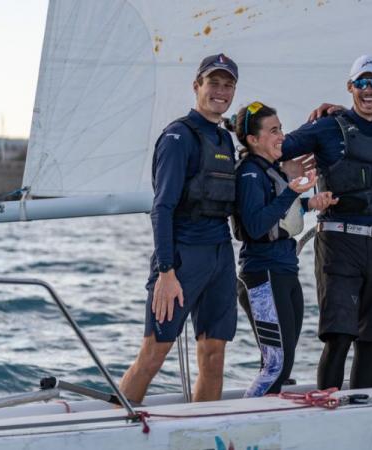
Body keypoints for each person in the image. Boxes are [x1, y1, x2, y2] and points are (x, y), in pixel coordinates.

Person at [119, 54, 240, 404]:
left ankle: (204, 431)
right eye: (213, 83)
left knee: (214, 355)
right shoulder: (177, 137)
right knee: (154, 353)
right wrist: (166, 271)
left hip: (220, 254)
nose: (220, 91)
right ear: (196, 86)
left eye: (227, 85)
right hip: (183, 258)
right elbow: (162, 208)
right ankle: (118, 426)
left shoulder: (224, 140)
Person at [280, 55, 372, 390]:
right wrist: (286, 172)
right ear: (350, 87)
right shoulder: (325, 128)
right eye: (360, 82)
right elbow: (272, 147)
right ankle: (326, 408)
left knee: (371, 340)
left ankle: (362, 411)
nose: (368, 89)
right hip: (338, 241)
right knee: (339, 336)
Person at [231, 101, 337, 397]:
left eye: (281, 128)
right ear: (253, 140)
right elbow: (255, 225)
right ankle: (244, 423)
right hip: (262, 273)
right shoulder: (250, 173)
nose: (282, 136)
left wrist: (309, 203)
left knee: (285, 361)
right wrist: (293, 190)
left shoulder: (269, 171)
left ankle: (268, 425)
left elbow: (278, 213)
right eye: (274, 130)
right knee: (275, 365)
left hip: (284, 269)